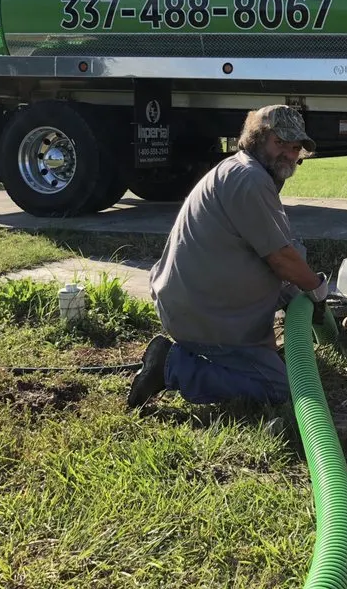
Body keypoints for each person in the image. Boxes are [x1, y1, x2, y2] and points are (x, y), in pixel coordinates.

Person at [126, 104, 330, 410]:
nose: (289, 154)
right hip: (203, 315)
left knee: (270, 367)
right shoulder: (249, 179)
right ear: (257, 139)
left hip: (199, 304)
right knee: (276, 388)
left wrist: (295, 294)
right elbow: (281, 259)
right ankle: (171, 366)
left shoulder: (243, 171)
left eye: (295, 147)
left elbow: (270, 251)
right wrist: (316, 289)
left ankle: (226, 357)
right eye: (280, 143)